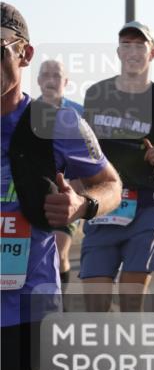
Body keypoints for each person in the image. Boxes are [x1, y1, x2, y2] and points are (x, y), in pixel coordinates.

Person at [2, 3, 122, 370]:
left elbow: (111, 183)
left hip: (26, 303)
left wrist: (83, 204)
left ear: (24, 54)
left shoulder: (58, 122)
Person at [81, 21, 154, 313]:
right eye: (125, 45)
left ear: (152, 53)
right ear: (118, 53)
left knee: (131, 305)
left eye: (139, 45)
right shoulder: (96, 95)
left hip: (145, 209)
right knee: (96, 307)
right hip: (103, 207)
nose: (132, 51)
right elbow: (83, 151)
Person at [36, 59, 85, 286]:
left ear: (66, 82)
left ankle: (59, 309)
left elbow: (95, 159)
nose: (51, 80)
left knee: (58, 251)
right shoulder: (25, 113)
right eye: (46, 75)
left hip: (69, 194)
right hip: (32, 196)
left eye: (56, 76)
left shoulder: (79, 114)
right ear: (38, 81)